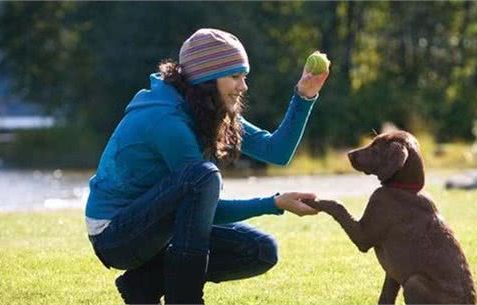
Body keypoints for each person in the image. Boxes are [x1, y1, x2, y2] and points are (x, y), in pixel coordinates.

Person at [84, 28, 329, 305]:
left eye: (244, 76)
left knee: (260, 250)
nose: (243, 86)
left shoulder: (206, 108)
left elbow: (277, 151)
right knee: (203, 177)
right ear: (207, 80)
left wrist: (304, 95)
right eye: (235, 77)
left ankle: (143, 284)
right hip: (115, 235)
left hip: (155, 227)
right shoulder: (167, 120)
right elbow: (207, 207)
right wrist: (274, 203)